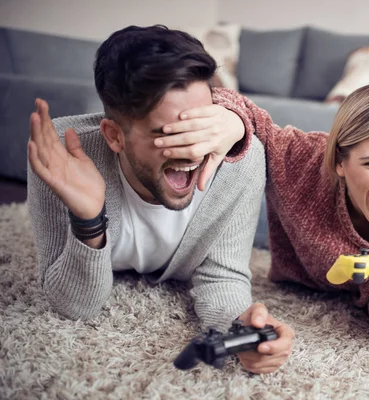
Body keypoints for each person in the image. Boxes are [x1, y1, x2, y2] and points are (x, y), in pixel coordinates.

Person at [26, 25, 294, 374]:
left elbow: (222, 276)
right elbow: (73, 307)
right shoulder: (60, 159)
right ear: (114, 136)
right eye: (168, 134)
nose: (192, 149)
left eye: (198, 125)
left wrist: (243, 329)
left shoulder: (239, 161)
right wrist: (88, 219)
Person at [154, 80, 369, 342]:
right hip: (278, 255)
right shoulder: (303, 160)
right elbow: (229, 100)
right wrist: (233, 120)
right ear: (340, 162)